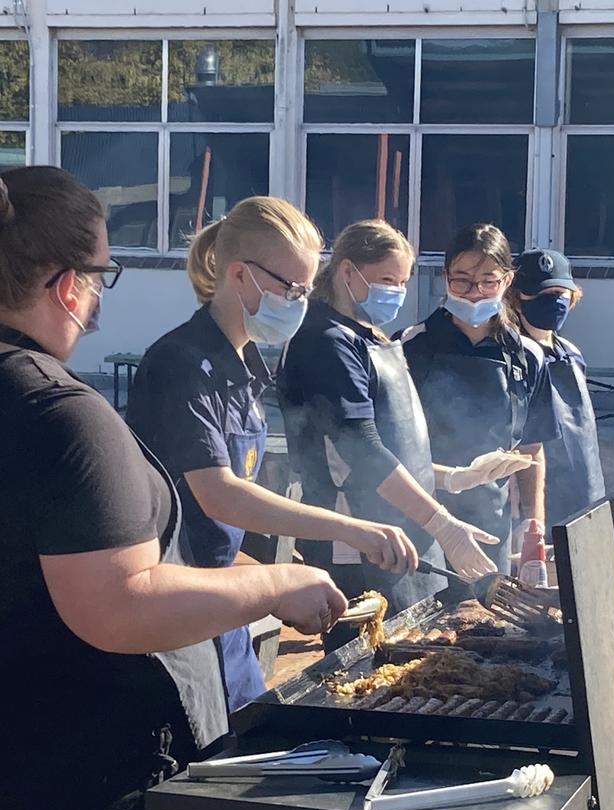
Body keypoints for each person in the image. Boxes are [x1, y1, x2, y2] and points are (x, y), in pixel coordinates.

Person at [0, 167, 346, 810]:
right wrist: (276, 588)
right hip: (65, 806)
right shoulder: (60, 413)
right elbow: (121, 603)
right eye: (103, 273)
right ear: (70, 286)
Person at [127, 197, 418, 709]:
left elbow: (223, 524)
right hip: (176, 616)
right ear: (240, 275)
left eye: (307, 289)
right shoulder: (179, 365)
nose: (302, 302)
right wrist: (347, 527)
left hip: (226, 609)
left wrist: (279, 581)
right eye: (292, 288)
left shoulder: (245, 366)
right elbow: (218, 496)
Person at [277, 219, 533, 652]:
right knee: (367, 669)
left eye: (401, 281)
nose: (395, 292)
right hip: (359, 541)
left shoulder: (366, 336)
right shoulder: (325, 342)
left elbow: (395, 446)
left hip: (402, 532)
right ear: (346, 272)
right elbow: (361, 453)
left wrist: (454, 477)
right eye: (386, 280)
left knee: (414, 659)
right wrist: (443, 522)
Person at [400, 223, 559, 574]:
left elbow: (532, 449)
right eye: (462, 280)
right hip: (420, 524)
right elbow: (393, 448)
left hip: (492, 526)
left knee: (484, 625)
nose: (474, 293)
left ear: (507, 281)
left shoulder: (527, 357)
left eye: (488, 281)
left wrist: (533, 530)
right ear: (445, 278)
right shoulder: (410, 347)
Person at [508, 248, 606, 535]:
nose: (554, 301)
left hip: (586, 493)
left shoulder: (573, 354)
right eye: (540, 294)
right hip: (533, 503)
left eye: (560, 293)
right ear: (515, 297)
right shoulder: (509, 356)